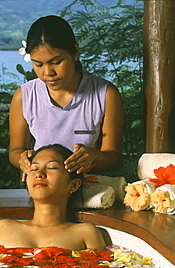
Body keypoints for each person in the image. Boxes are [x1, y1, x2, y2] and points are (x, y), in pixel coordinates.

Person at [9, 15, 124, 180]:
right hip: (43, 187)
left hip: (91, 187)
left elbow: (113, 157)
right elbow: (15, 151)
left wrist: (93, 157)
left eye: (56, 62)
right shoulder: (25, 96)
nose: (48, 73)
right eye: (38, 65)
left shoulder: (105, 94)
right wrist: (22, 159)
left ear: (75, 52)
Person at [0, 144, 106, 250]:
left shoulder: (86, 233)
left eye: (52, 167)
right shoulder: (3, 228)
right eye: (33, 168)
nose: (39, 174)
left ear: (73, 185)